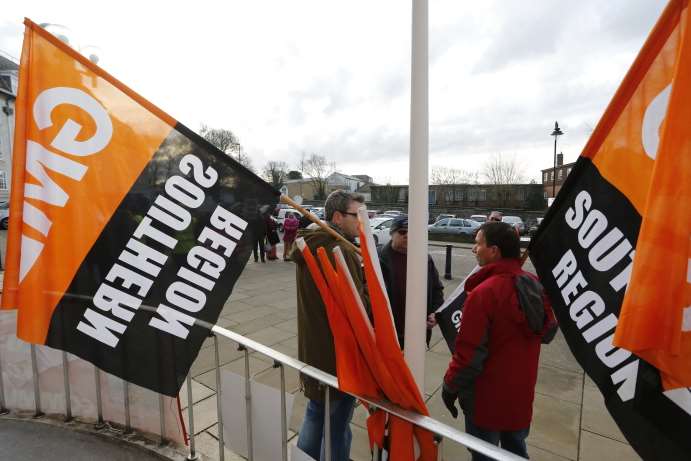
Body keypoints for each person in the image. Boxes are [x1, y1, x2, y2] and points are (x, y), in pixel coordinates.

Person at [441, 221, 556, 460]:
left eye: (478, 244)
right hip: (520, 397)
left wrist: (449, 387)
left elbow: (469, 357)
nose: (474, 249)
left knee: (484, 454)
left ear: (494, 251)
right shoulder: (535, 285)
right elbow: (548, 332)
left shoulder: (483, 294)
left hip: (485, 402)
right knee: (516, 451)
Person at [291, 190, 368, 461]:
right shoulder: (340, 250)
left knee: (316, 414)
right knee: (336, 426)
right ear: (337, 216)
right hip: (337, 354)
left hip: (315, 349)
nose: (363, 223)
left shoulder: (309, 242)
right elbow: (358, 308)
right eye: (357, 216)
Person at [378, 215, 444, 348]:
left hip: (417, 334)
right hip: (389, 334)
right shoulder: (378, 258)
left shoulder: (425, 259)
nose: (407, 235)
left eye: (411, 232)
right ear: (392, 234)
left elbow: (437, 290)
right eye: (402, 231)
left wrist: (435, 313)